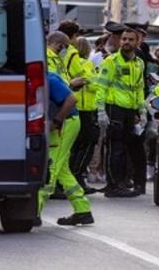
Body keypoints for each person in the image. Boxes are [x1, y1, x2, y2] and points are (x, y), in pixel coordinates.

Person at [37, 68, 95, 226]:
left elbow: (71, 99)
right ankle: (82, 210)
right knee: (62, 170)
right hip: (65, 123)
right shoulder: (45, 76)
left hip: (65, 124)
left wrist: (56, 121)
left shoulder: (49, 78)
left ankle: (35, 211)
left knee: (51, 166)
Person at [96, 27, 147, 197]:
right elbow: (101, 86)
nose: (126, 42)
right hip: (114, 108)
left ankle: (124, 182)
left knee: (129, 148)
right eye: (124, 39)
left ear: (137, 42)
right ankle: (113, 185)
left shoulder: (139, 63)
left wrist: (143, 111)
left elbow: (139, 89)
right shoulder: (111, 61)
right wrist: (101, 111)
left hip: (130, 111)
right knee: (115, 148)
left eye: (130, 39)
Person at [57, 21, 100, 195]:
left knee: (69, 146)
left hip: (68, 104)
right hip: (80, 107)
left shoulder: (57, 53)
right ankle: (73, 178)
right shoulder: (73, 55)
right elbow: (83, 79)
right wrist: (92, 78)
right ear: (72, 36)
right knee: (85, 142)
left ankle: (69, 181)